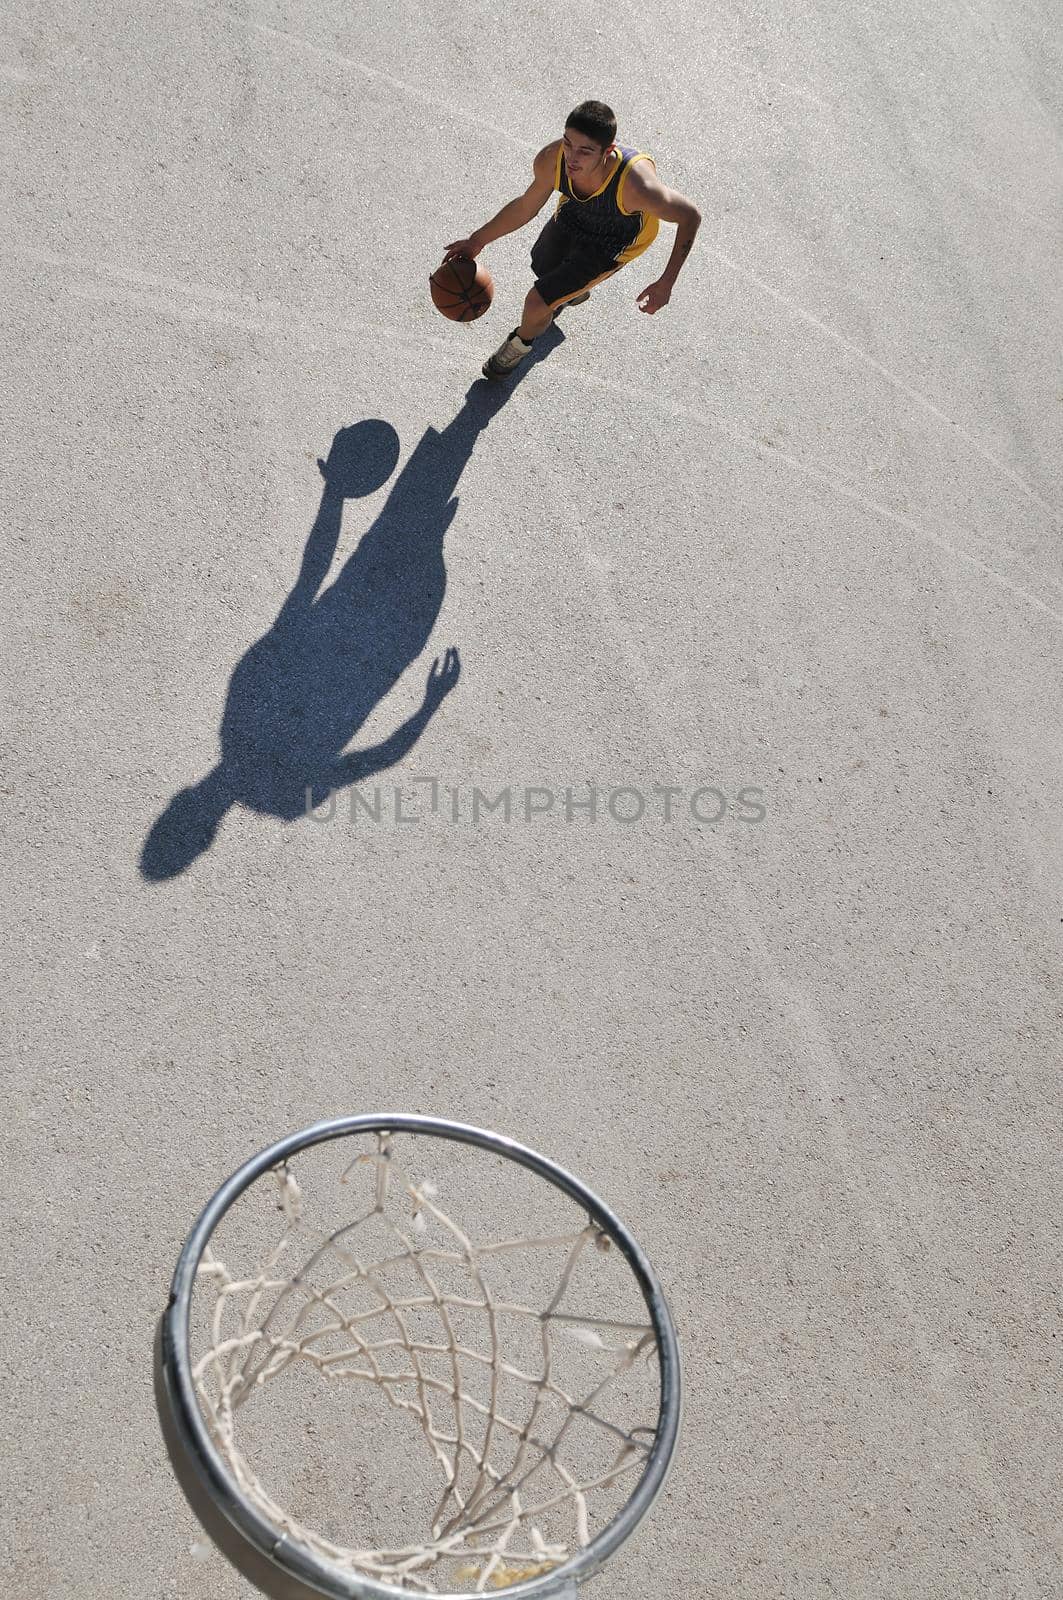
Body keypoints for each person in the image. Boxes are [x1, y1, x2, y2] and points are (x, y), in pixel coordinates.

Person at [443, 100, 701, 380]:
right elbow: (525, 207)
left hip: (614, 242)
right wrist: (477, 240)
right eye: (568, 143)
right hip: (575, 215)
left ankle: (520, 345)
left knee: (537, 303)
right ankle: (572, 293)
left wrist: (666, 282)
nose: (572, 158)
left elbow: (690, 217)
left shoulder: (639, 188)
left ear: (608, 151)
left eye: (585, 151)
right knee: (542, 265)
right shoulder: (553, 159)